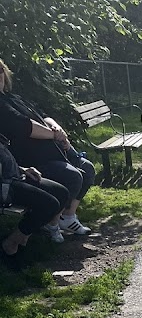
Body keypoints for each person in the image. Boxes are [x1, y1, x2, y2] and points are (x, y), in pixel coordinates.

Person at [0, 59, 94, 242]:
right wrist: (55, 136)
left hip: (55, 151)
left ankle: (68, 217)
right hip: (33, 161)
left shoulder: (14, 97)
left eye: (0, 70)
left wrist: (58, 130)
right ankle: (51, 225)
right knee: (73, 176)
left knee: (87, 168)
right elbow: (25, 126)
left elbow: (43, 115)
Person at [0, 134, 70, 260]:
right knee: (50, 204)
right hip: (4, 187)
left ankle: (23, 238)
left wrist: (23, 169)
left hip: (13, 177)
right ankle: (10, 245)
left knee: (62, 193)